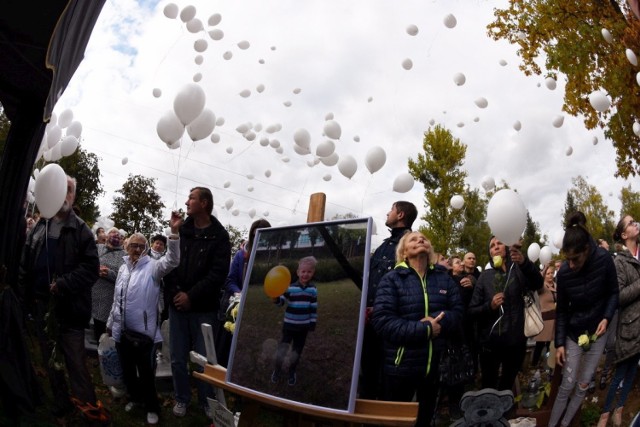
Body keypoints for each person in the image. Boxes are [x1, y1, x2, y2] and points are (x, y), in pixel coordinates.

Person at [19, 176, 108, 422]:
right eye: (60, 189)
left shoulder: (81, 230)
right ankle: (62, 402)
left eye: (69, 190)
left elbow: (91, 269)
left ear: (74, 196)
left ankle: (88, 409)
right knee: (51, 360)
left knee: (75, 363)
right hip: (41, 308)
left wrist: (63, 284)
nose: (64, 194)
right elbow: (26, 262)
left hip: (70, 310)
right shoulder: (40, 225)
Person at [372, 231, 463, 426]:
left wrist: (440, 324)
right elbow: (382, 321)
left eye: (423, 238)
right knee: (395, 422)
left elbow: (458, 313)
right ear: (404, 252)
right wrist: (425, 329)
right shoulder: (392, 279)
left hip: (433, 369)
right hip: (399, 370)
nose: (420, 239)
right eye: (413, 239)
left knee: (425, 420)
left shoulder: (444, 279)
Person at [107, 212, 181, 426]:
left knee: (147, 374)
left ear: (147, 249)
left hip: (145, 334)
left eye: (142, 246)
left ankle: (152, 408)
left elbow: (173, 260)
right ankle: (135, 399)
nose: (137, 249)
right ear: (126, 246)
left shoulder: (153, 268)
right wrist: (112, 324)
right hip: (122, 331)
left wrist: (174, 233)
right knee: (128, 372)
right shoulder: (122, 268)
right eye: (134, 245)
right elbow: (117, 299)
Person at [163, 187, 231, 418]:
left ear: (204, 203)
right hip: (177, 306)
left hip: (204, 309)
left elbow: (218, 274)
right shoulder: (182, 231)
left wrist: (191, 296)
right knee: (177, 358)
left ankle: (205, 401)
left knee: (204, 362)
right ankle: (181, 398)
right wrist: (177, 295)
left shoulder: (220, 236)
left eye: (191, 198)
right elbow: (170, 264)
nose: (186, 202)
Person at [548, 212, 618, 427]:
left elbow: (613, 292)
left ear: (586, 251)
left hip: (598, 333)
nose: (571, 264)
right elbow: (561, 312)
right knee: (567, 384)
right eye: (567, 259)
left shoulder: (604, 259)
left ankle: (565, 424)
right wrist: (559, 343)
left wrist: (606, 317)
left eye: (575, 259)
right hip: (573, 332)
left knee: (584, 383)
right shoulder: (565, 274)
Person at [468, 237, 543, 392]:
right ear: (489, 252)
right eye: (492, 246)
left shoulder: (518, 270)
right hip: (490, 344)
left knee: (507, 384)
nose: (495, 247)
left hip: (515, 342)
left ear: (507, 247)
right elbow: (472, 311)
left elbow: (538, 283)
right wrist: (490, 306)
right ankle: (489, 414)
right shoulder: (484, 277)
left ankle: (504, 413)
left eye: (499, 243)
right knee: (488, 385)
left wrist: (524, 262)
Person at [360, 201, 417, 399]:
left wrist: (382, 310)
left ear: (400, 215)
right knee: (368, 372)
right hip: (369, 324)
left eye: (391, 210)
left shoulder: (410, 246)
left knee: (389, 380)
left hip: (392, 326)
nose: (387, 213)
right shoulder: (384, 245)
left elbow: (411, 287)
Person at [598, 215, 640, 427]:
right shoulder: (619, 261)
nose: (636, 224)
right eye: (631, 223)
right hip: (630, 325)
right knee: (621, 372)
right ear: (624, 235)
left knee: (633, 370)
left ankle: (620, 409)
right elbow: (619, 295)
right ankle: (605, 415)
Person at [217, 218, 271, 367]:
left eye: (264, 235)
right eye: (255, 235)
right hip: (238, 305)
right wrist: (239, 294)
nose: (259, 238)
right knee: (229, 346)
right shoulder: (242, 255)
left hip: (259, 308)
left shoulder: (271, 258)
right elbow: (230, 280)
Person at [271, 256, 318, 386]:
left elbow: (313, 308)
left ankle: (292, 371)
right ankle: (277, 370)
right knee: (283, 348)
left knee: (297, 351)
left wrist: (312, 322)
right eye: (303, 271)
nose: (305, 274)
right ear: (298, 272)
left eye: (309, 271)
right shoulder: (290, 288)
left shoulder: (313, 290)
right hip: (289, 326)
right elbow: (281, 302)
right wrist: (276, 299)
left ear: (313, 273)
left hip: (303, 328)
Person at [92, 227, 125, 342]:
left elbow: (123, 277)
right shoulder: (98, 248)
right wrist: (96, 269)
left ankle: (103, 354)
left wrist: (108, 273)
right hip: (92, 294)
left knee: (103, 330)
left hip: (108, 298)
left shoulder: (123, 255)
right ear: (106, 235)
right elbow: (88, 264)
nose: (114, 235)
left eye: (117, 233)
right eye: (111, 232)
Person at [531, 263, 556, 368]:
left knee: (551, 345)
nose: (550, 275)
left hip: (555, 319)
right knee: (540, 344)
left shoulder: (556, 285)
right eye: (548, 273)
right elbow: (538, 280)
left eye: (551, 273)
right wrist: (545, 269)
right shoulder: (542, 286)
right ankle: (534, 364)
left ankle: (549, 365)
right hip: (545, 320)